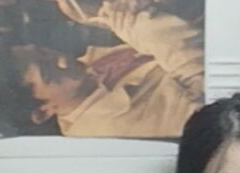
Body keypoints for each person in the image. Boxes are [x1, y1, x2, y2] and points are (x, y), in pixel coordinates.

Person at [13, 0, 203, 138]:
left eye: (44, 52)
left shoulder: (85, 74)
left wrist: (106, 13)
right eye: (48, 74)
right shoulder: (115, 128)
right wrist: (136, 22)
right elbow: (209, 96)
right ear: (43, 112)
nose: (63, 60)